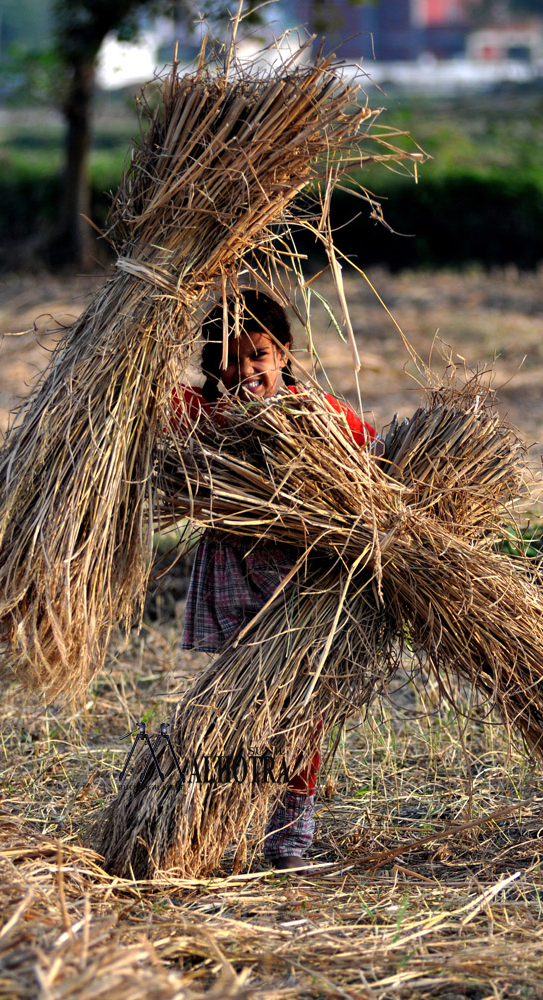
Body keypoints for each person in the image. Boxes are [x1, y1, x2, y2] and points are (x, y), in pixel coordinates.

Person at [175, 290, 377, 871]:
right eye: (231, 359)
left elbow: (375, 449)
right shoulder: (204, 413)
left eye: (258, 355)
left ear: (284, 354)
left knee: (297, 706)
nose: (246, 371)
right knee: (237, 701)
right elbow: (146, 402)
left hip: (297, 578)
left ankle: (290, 832)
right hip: (235, 573)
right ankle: (218, 820)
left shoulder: (313, 416)